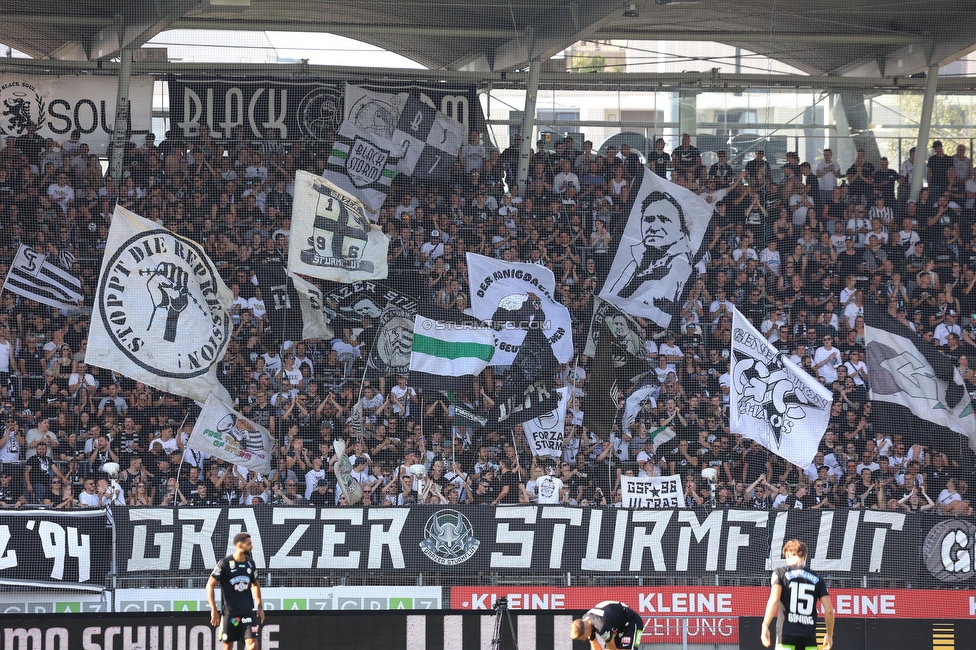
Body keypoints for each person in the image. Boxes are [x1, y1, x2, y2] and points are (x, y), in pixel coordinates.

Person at [761, 539, 834, 650]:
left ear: (787, 555)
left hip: (786, 634)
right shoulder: (818, 578)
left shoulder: (780, 573)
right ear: (805, 557)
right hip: (809, 637)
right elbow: (829, 610)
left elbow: (774, 599)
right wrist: (829, 634)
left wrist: (765, 625)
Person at [206, 532, 265, 650]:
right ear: (239, 545)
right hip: (230, 613)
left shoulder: (250, 563)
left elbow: (255, 584)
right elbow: (209, 585)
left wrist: (259, 607)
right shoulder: (225, 563)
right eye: (249, 544)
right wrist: (213, 609)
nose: (251, 546)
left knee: (253, 645)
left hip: (247, 612)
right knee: (228, 645)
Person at [570, 600, 644, 650]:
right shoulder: (585, 622)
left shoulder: (601, 626)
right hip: (618, 627)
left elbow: (613, 649)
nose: (584, 639)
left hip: (632, 622)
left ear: (586, 628)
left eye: (584, 637)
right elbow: (596, 647)